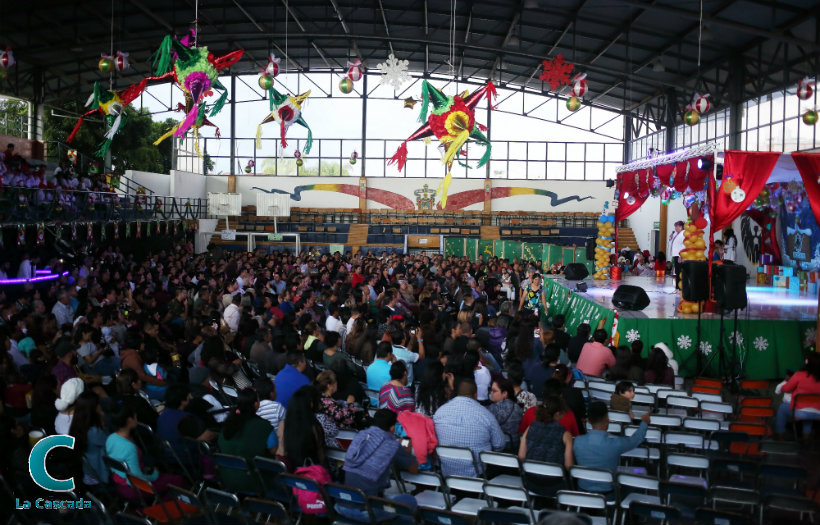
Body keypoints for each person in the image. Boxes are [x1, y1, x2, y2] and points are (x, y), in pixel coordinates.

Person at [338, 409, 418, 522]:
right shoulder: (392, 445)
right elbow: (413, 469)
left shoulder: (360, 435)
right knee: (409, 501)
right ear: (392, 427)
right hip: (368, 512)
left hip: (343, 506)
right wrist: (406, 453)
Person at [105, 405, 184, 499]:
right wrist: (155, 475)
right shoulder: (129, 447)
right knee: (177, 480)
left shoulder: (110, 438)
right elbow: (138, 480)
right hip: (134, 488)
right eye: (135, 417)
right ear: (129, 420)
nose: (137, 420)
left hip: (119, 483)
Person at [433, 378, 506, 477]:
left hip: (447, 475)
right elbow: (499, 444)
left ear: (457, 393)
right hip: (478, 476)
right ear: (475, 394)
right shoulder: (485, 414)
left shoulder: (439, 412)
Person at [573, 401, 651, 493]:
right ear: (607, 418)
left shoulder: (577, 441)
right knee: (640, 476)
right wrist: (644, 422)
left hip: (582, 491)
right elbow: (636, 439)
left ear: (588, 420)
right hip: (609, 494)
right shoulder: (615, 444)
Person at [218, 388, 278, 492]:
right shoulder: (264, 427)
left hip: (227, 480)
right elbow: (275, 451)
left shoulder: (226, 425)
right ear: (256, 404)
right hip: (255, 482)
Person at [518, 396, 574, 469]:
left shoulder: (530, 427)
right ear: (557, 414)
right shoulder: (566, 435)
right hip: (555, 478)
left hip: (530, 476)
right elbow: (568, 465)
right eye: (563, 412)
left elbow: (521, 456)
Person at [774, 353, 820, 438]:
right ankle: (806, 440)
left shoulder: (800, 375)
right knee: (809, 416)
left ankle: (780, 436)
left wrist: (786, 384)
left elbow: (786, 389)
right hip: (818, 413)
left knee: (782, 408)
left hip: (801, 412)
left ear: (807, 363)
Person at [68, 391, 108, 485]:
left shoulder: (78, 424)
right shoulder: (94, 431)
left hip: (88, 471)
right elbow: (110, 442)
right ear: (94, 409)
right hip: (98, 473)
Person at [283, 385, 327, 470]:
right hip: (312, 472)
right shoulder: (313, 426)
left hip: (293, 472)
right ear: (311, 403)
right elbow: (320, 454)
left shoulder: (286, 423)